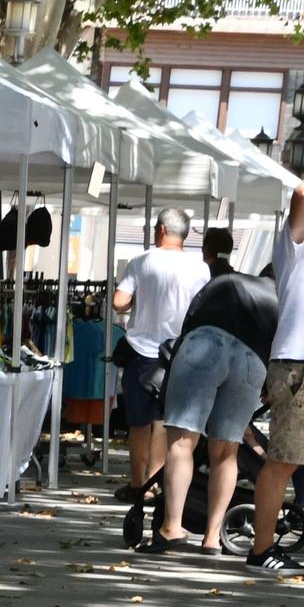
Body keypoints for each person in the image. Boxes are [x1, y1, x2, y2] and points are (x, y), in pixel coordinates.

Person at [142, 268, 277, 556]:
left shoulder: (227, 280)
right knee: (226, 451)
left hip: (205, 344)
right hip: (251, 361)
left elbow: (191, 317)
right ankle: (213, 536)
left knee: (182, 442)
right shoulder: (281, 299)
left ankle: (171, 528)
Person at [113, 209, 210, 498]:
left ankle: (136, 484)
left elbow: (119, 302)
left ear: (160, 230)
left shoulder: (141, 262)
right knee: (164, 424)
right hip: (181, 354)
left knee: (139, 423)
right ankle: (154, 484)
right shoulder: (201, 268)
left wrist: (139, 302)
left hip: (142, 352)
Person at [250, 181, 304, 572]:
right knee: (284, 459)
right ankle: (261, 549)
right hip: (296, 364)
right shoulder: (293, 247)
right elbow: (302, 192)